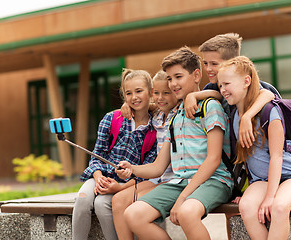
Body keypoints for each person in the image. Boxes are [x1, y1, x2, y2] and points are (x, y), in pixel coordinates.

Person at [116, 46, 233, 240]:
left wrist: (183, 197)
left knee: (187, 213)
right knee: (133, 214)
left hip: (214, 180)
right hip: (180, 182)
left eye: (178, 77)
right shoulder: (175, 117)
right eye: (169, 79)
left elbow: (213, 160)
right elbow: (158, 167)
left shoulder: (210, 107)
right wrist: (132, 169)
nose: (172, 84)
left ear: (196, 75)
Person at [217, 56, 291, 240]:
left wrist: (269, 197)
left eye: (227, 83)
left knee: (279, 207)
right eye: (220, 85)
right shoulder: (235, 116)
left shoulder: (269, 112)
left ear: (246, 81)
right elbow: (244, 160)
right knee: (246, 207)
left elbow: (277, 157)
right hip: (261, 180)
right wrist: (240, 192)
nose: (223, 90)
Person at [72, 69, 157, 240]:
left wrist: (119, 186)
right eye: (129, 93)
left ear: (150, 92)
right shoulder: (112, 119)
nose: (134, 97)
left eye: (139, 91)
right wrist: (98, 177)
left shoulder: (155, 129)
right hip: (100, 176)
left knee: (102, 204)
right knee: (82, 199)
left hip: (127, 183)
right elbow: (97, 154)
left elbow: (148, 171)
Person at [111, 70, 180, 240]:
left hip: (173, 178)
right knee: (118, 201)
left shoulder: (178, 114)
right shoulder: (156, 115)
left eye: (166, 93)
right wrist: (127, 106)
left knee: (135, 206)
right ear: (151, 93)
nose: (160, 97)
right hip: (157, 178)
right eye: (156, 93)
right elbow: (147, 106)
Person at [184, 33, 275, 149]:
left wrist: (247, 117)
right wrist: (193, 96)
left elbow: (268, 94)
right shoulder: (210, 88)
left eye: (214, 64)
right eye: (205, 63)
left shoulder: (248, 86)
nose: (208, 69)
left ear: (232, 62)